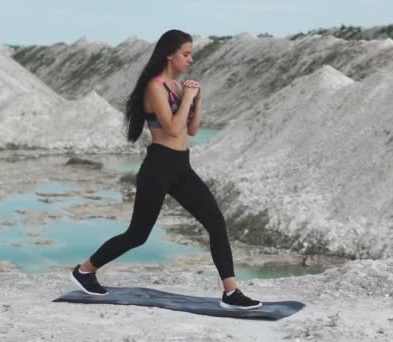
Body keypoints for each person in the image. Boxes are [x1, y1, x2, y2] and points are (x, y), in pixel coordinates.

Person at [69, 29, 262, 310]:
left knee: (216, 223)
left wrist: (197, 99)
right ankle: (84, 271)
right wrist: (187, 98)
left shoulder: (177, 87)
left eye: (191, 54)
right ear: (169, 54)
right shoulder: (154, 86)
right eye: (186, 53)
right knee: (137, 235)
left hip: (182, 167)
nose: (190, 59)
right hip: (158, 166)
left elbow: (192, 130)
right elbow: (171, 128)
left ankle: (231, 293)